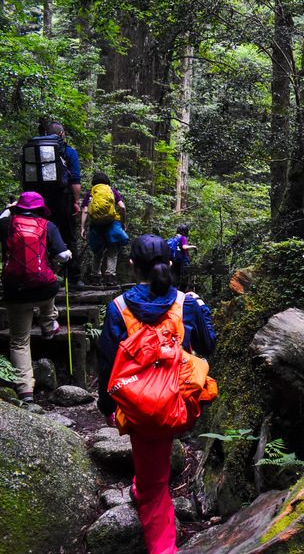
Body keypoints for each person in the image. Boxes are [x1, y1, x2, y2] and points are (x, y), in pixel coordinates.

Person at [97, 234, 216, 554]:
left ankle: (163, 547)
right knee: (155, 454)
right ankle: (144, 482)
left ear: (133, 267)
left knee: (153, 488)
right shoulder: (185, 304)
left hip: (140, 408)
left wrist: (106, 406)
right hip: (179, 404)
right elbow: (208, 346)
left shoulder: (118, 309)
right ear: (171, 263)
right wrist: (201, 307)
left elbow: (107, 364)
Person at [0, 191, 72, 402]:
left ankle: (25, 389)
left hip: (16, 293)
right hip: (44, 291)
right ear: (40, 208)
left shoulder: (8, 224)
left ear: (18, 207)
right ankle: (48, 326)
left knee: (19, 341)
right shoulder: (47, 226)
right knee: (50, 285)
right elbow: (62, 257)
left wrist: (9, 208)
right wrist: (68, 254)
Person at [26, 121, 83, 287]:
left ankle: (39, 274)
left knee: (39, 235)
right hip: (63, 199)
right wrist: (76, 202)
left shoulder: (35, 150)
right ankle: (74, 278)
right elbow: (75, 181)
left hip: (38, 201)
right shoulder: (68, 152)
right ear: (62, 134)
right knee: (69, 236)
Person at [79, 172, 129, 286]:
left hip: (96, 225)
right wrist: (123, 222)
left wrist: (82, 227)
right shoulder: (112, 191)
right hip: (112, 223)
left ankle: (95, 278)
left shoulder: (91, 193)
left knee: (98, 252)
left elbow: (85, 211)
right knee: (112, 251)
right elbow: (122, 207)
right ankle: (110, 278)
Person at [168, 224, 197, 292]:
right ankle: (181, 294)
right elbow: (184, 247)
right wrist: (193, 247)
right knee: (185, 279)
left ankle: (173, 293)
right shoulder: (182, 238)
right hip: (182, 261)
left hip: (174, 262)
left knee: (175, 278)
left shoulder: (172, 239)